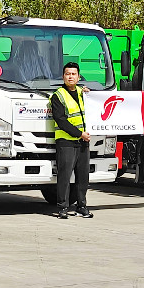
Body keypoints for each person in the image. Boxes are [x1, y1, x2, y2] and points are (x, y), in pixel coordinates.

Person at [49, 62, 93, 219]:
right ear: (63, 77)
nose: (71, 76)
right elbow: (61, 121)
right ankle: (62, 208)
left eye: (74, 74)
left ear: (79, 76)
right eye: (68, 74)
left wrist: (90, 93)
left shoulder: (84, 93)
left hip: (83, 142)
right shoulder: (58, 96)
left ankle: (82, 206)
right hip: (66, 142)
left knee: (83, 177)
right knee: (65, 176)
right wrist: (80, 134)